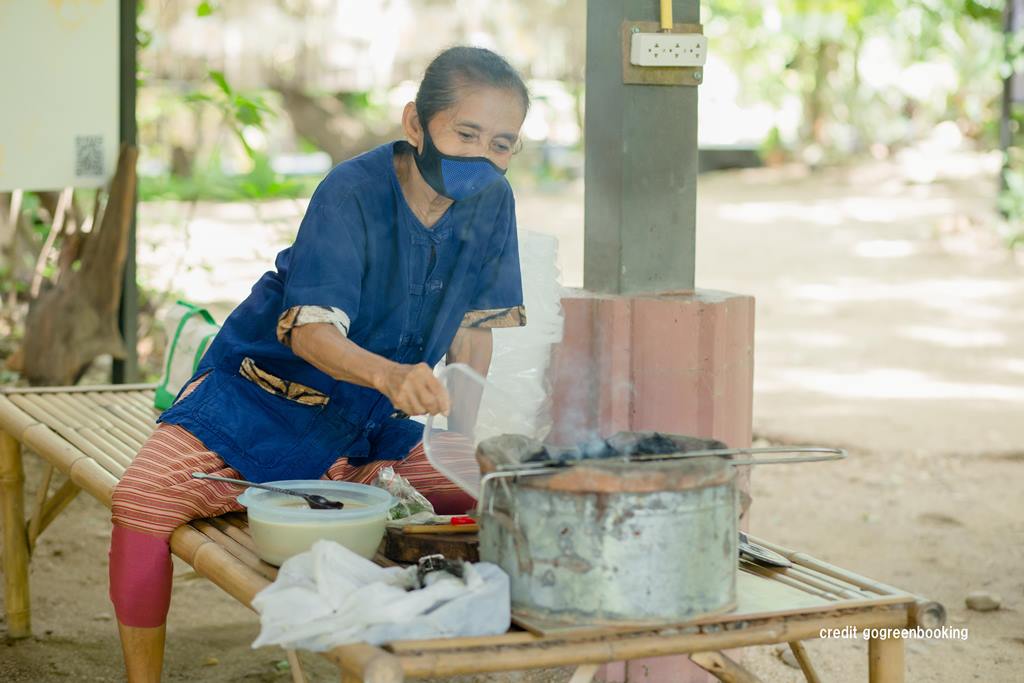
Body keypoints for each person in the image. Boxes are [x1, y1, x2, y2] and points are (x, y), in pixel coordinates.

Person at [108, 46, 529, 681]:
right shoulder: (352, 191)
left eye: (502, 143)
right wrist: (392, 376)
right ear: (416, 124)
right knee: (139, 501)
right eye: (465, 133)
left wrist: (456, 441)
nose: (482, 157)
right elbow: (310, 335)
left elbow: (474, 332)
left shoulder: (494, 203)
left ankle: (496, 642)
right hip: (256, 401)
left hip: (364, 426)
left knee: (497, 490)